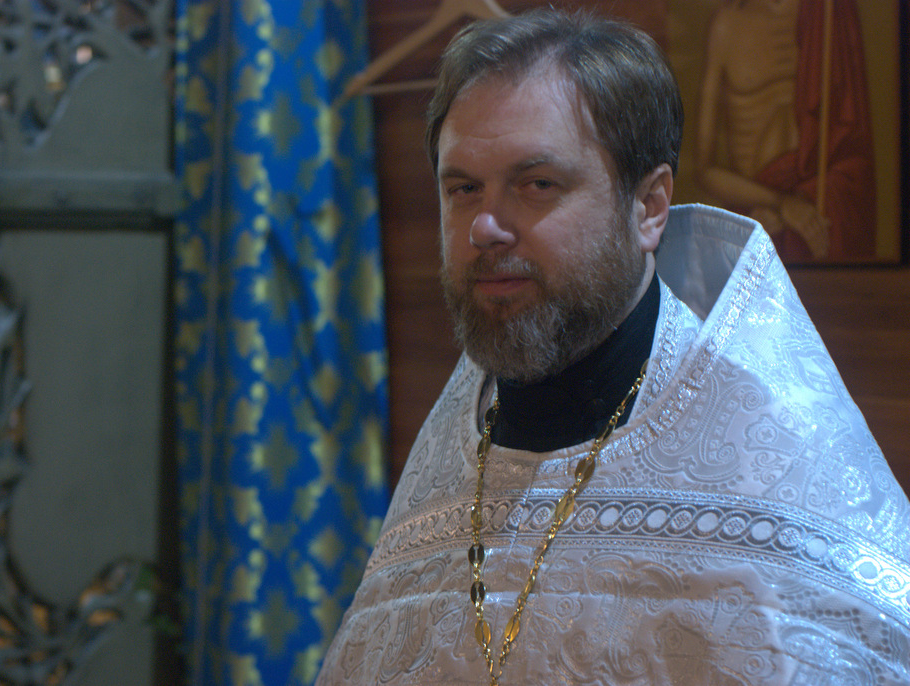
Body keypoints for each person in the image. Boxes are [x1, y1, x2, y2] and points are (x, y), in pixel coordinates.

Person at [317, 8, 910, 685]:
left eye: (537, 184)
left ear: (649, 207)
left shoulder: (774, 481)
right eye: (463, 189)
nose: (484, 226)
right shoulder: (451, 454)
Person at [695, 0, 876, 262]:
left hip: (817, 214)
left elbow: (852, 147)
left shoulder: (826, 19)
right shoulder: (727, 26)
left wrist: (804, 202)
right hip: (757, 214)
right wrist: (780, 204)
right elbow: (704, 170)